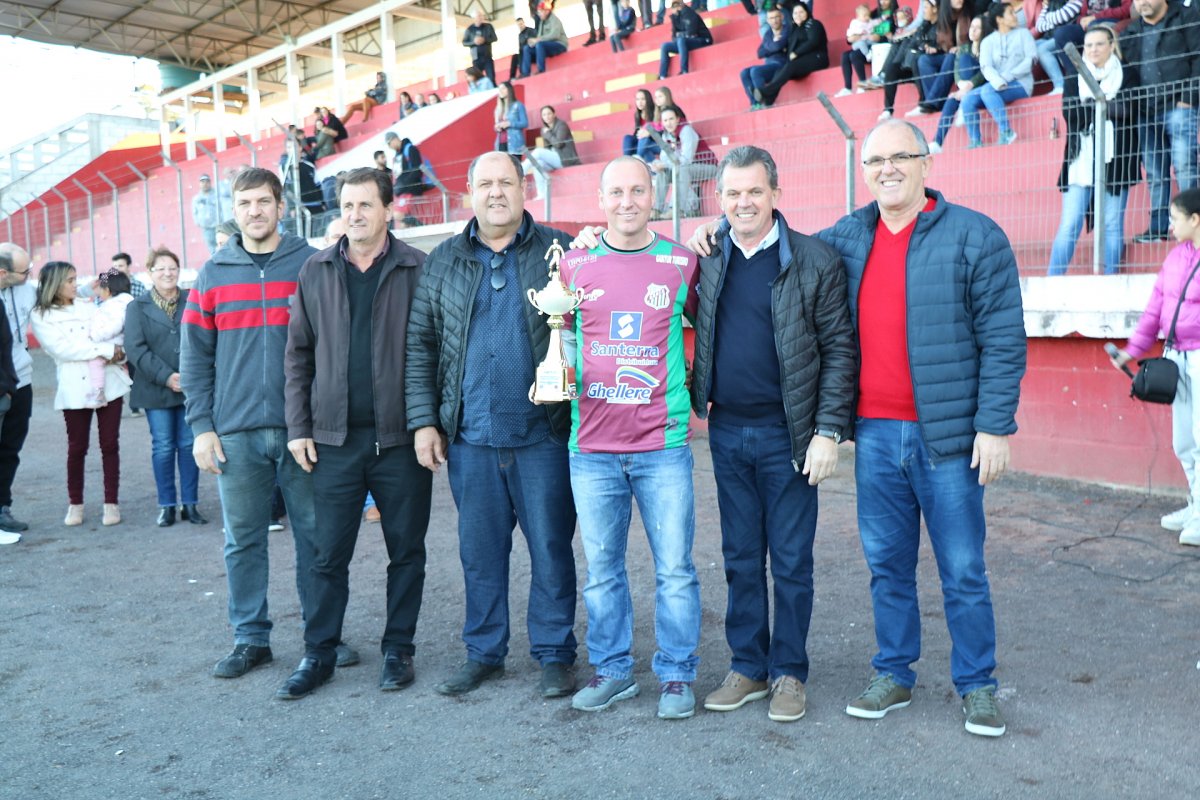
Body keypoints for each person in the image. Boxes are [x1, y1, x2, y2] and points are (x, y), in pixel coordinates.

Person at [819, 119, 1024, 737]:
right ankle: (894, 673)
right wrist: (710, 233)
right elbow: (783, 251)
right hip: (876, 436)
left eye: (900, 157)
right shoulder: (847, 238)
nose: (887, 168)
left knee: (962, 567)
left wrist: (994, 425)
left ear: (926, 163)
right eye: (875, 159)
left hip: (950, 439)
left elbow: (1003, 339)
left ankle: (978, 685)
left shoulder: (975, 236)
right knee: (887, 565)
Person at [686, 146, 857, 723]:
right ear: (721, 199)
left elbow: (839, 350)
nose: (743, 203)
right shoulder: (709, 259)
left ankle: (789, 673)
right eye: (732, 194)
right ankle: (748, 667)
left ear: (776, 194)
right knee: (738, 557)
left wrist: (829, 431)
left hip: (790, 437)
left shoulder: (815, 259)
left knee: (790, 561)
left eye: (754, 192)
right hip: (727, 431)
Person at [405, 152, 578, 699]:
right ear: (468, 193)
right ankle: (484, 652)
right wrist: (424, 422)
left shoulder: (563, 251)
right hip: (471, 439)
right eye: (485, 183)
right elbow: (420, 346)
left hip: (544, 436)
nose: (496, 192)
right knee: (479, 552)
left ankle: (554, 652)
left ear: (524, 188)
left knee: (551, 546)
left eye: (506, 182)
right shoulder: (443, 261)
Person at [276, 168, 433, 700]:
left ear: (388, 208)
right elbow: (297, 356)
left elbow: (434, 354)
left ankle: (398, 649)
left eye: (366, 204)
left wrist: (428, 423)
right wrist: (299, 426)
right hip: (333, 441)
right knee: (327, 555)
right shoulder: (314, 270)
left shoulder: (418, 268)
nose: (355, 214)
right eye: (347, 205)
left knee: (406, 551)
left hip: (401, 441)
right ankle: (318, 653)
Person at [555, 156, 701, 719]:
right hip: (590, 447)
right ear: (600, 199)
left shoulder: (682, 262)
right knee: (603, 571)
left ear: (655, 196)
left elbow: (704, 331)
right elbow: (562, 341)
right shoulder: (574, 265)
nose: (627, 202)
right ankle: (613, 671)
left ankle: (676, 675)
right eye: (616, 192)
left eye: (637, 191)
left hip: (662, 447)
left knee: (675, 568)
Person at [181, 167, 326, 680]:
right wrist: (202, 426)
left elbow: (330, 346)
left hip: (300, 432)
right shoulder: (213, 273)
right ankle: (250, 639)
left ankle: (321, 636)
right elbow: (195, 359)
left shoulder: (310, 264)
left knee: (314, 536)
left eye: (264, 202)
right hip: (235, 435)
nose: (255, 212)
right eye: (245, 204)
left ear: (281, 206)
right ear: (235, 210)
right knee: (243, 540)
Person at [1110, 188, 1200, 547]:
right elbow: (1154, 309)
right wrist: (1131, 351)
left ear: (1195, 219)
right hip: (1176, 355)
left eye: (1176, 218)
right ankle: (1196, 505)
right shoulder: (1176, 258)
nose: (1170, 224)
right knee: (1184, 441)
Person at [31, 262, 132, 527]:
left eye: (76, 279)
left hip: (109, 383)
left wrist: (112, 350)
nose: (76, 284)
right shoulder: (41, 315)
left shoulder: (88, 306)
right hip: (75, 387)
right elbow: (64, 350)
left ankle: (112, 503)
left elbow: (113, 332)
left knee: (110, 445)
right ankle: (75, 503)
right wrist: (108, 352)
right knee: (77, 448)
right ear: (54, 284)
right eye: (70, 280)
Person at [1047, 23, 1139, 276]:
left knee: (1112, 224)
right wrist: (1106, 106)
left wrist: (1095, 105)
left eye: (1099, 44)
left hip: (1117, 158)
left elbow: (1130, 109)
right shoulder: (1073, 77)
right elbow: (1070, 112)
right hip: (1080, 159)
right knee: (1069, 223)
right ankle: (1053, 280)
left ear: (1112, 45)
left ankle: (1111, 280)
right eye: (1088, 45)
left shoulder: (1127, 73)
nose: (1093, 49)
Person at [124, 246, 207, 528]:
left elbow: (203, 337)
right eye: (160, 268)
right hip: (155, 388)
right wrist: (167, 376)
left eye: (172, 267)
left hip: (190, 386)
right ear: (150, 273)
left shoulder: (193, 299)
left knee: (188, 445)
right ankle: (167, 505)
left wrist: (187, 375)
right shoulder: (137, 307)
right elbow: (136, 349)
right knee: (162, 446)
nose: (167, 273)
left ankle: (190, 504)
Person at [1120, 0, 1200, 243]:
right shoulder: (1131, 31)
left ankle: (1191, 224)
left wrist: (1188, 98)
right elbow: (1127, 72)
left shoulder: (1187, 17)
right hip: (1146, 111)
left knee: (1185, 166)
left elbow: (1198, 58)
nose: (1141, 3)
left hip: (1179, 106)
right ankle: (1157, 228)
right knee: (1155, 173)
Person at [961, 2, 1035, 148]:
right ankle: (975, 141)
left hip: (1021, 83)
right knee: (968, 98)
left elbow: (1031, 60)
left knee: (987, 90)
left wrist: (1006, 77)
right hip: (996, 85)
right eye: (1011, 13)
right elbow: (986, 67)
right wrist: (997, 80)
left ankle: (1006, 132)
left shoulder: (1023, 34)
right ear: (1000, 19)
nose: (1015, 16)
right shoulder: (988, 41)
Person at [0, 244, 35, 537]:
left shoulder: (28, 288)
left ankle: (3, 507)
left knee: (11, 448)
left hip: (21, 381)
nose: (29, 275)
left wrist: (117, 268)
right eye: (25, 271)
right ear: (4, 273)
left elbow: (89, 287)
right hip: (1, 385)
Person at [753, 3, 829, 108]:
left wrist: (797, 53)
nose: (798, 15)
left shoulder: (814, 24)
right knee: (780, 70)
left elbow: (813, 42)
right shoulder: (795, 29)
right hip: (802, 62)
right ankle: (770, 99)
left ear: (807, 12)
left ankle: (765, 91)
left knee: (791, 66)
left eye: (801, 12)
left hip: (818, 58)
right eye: (795, 13)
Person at [927, 15, 986, 152]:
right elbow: (957, 71)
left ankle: (964, 100)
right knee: (952, 100)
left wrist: (969, 85)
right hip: (965, 89)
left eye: (978, 28)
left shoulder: (986, 47)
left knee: (966, 61)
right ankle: (937, 142)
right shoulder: (965, 48)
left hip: (980, 87)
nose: (973, 31)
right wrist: (961, 86)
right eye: (972, 27)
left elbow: (985, 72)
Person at [650, 105, 718, 218]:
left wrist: (666, 164)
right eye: (665, 120)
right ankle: (657, 209)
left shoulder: (686, 131)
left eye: (671, 119)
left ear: (677, 119)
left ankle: (676, 209)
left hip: (707, 166)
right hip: (685, 169)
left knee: (682, 168)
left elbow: (687, 159)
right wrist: (659, 165)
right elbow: (664, 157)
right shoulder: (666, 135)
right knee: (663, 172)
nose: (669, 123)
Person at [85, 269, 135, 409]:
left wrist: (95, 336)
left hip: (111, 343)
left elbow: (115, 325)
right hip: (117, 343)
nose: (99, 292)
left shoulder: (115, 305)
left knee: (95, 362)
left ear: (107, 290)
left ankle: (98, 393)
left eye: (101, 288)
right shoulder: (123, 302)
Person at [914, 0, 970, 114]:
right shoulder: (944, 17)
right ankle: (936, 102)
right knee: (924, 60)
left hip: (965, 55)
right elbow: (941, 43)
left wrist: (961, 48)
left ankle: (933, 101)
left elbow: (976, 37)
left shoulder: (969, 13)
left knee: (950, 57)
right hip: (947, 54)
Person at [525, 105, 581, 199]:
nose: (547, 116)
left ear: (554, 114)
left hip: (565, 159)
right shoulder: (544, 130)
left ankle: (522, 169)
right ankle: (542, 194)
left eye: (549, 113)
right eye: (544, 115)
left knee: (538, 151)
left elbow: (559, 144)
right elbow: (547, 148)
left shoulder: (561, 125)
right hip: (555, 159)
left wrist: (548, 134)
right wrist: (547, 133)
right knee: (537, 164)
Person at [740, 7, 791, 110]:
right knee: (744, 72)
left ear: (782, 17)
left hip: (781, 64)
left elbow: (777, 46)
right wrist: (774, 44)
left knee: (755, 71)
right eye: (771, 18)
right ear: (767, 20)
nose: (774, 20)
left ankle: (765, 101)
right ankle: (755, 104)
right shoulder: (768, 33)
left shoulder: (787, 29)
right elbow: (759, 52)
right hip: (769, 64)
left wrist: (769, 46)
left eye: (777, 17)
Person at [657, 0, 713, 79]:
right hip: (685, 42)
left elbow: (691, 32)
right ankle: (662, 75)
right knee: (664, 46)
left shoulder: (690, 13)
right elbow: (674, 36)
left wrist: (680, 35)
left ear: (681, 5)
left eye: (677, 5)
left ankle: (684, 70)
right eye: (673, 6)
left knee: (681, 40)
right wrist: (676, 17)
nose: (675, 8)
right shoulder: (675, 17)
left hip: (703, 40)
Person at [837, 4, 877, 95]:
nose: (866, 17)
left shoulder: (873, 20)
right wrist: (857, 36)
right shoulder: (855, 23)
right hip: (860, 43)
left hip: (871, 45)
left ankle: (863, 83)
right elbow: (849, 38)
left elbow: (875, 36)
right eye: (864, 15)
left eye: (868, 15)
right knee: (845, 55)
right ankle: (847, 87)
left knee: (854, 55)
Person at [520, 4, 569, 78]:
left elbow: (555, 35)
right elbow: (539, 37)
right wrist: (533, 42)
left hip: (559, 44)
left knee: (540, 44)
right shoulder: (542, 22)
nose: (539, 14)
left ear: (546, 11)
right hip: (546, 46)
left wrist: (538, 40)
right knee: (526, 48)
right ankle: (525, 74)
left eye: (540, 12)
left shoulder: (554, 19)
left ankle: (541, 70)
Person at [386, 132, 430, 197]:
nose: (389, 147)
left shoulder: (410, 149)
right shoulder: (397, 155)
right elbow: (398, 175)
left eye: (389, 143)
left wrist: (403, 185)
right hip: (405, 194)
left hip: (415, 191)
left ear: (395, 139)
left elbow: (417, 170)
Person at [464, 10, 498, 86]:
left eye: (481, 15)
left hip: (487, 56)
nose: (480, 17)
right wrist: (474, 42)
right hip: (476, 58)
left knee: (491, 78)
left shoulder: (488, 26)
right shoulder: (469, 29)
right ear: (474, 18)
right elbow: (464, 42)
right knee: (477, 79)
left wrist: (484, 40)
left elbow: (495, 38)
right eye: (478, 16)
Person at [622, 89, 658, 160]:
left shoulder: (655, 112)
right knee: (627, 138)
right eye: (637, 99)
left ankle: (638, 158)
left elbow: (660, 131)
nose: (640, 102)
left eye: (643, 99)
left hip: (653, 142)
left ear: (648, 100)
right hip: (641, 143)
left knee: (644, 139)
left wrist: (649, 133)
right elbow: (636, 132)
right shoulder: (637, 114)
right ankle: (626, 160)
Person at [494, 82, 528, 155]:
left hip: (515, 142)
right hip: (500, 143)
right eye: (499, 89)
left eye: (503, 88)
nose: (501, 91)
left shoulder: (518, 105)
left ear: (509, 90)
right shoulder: (498, 109)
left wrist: (510, 124)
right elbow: (496, 126)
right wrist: (497, 127)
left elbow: (525, 123)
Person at [192, 175, 219, 254]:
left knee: (222, 245)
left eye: (207, 182)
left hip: (218, 225)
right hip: (206, 227)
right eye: (202, 182)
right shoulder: (196, 198)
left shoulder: (216, 195)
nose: (205, 184)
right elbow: (194, 211)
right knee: (212, 248)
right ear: (199, 184)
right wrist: (198, 222)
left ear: (210, 183)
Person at [509, 18, 536, 82]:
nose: (520, 26)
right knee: (515, 56)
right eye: (518, 25)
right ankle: (512, 77)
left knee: (522, 52)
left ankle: (523, 73)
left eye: (521, 24)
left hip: (532, 53)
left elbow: (534, 43)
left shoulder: (531, 30)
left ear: (524, 23)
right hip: (524, 54)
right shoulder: (520, 35)